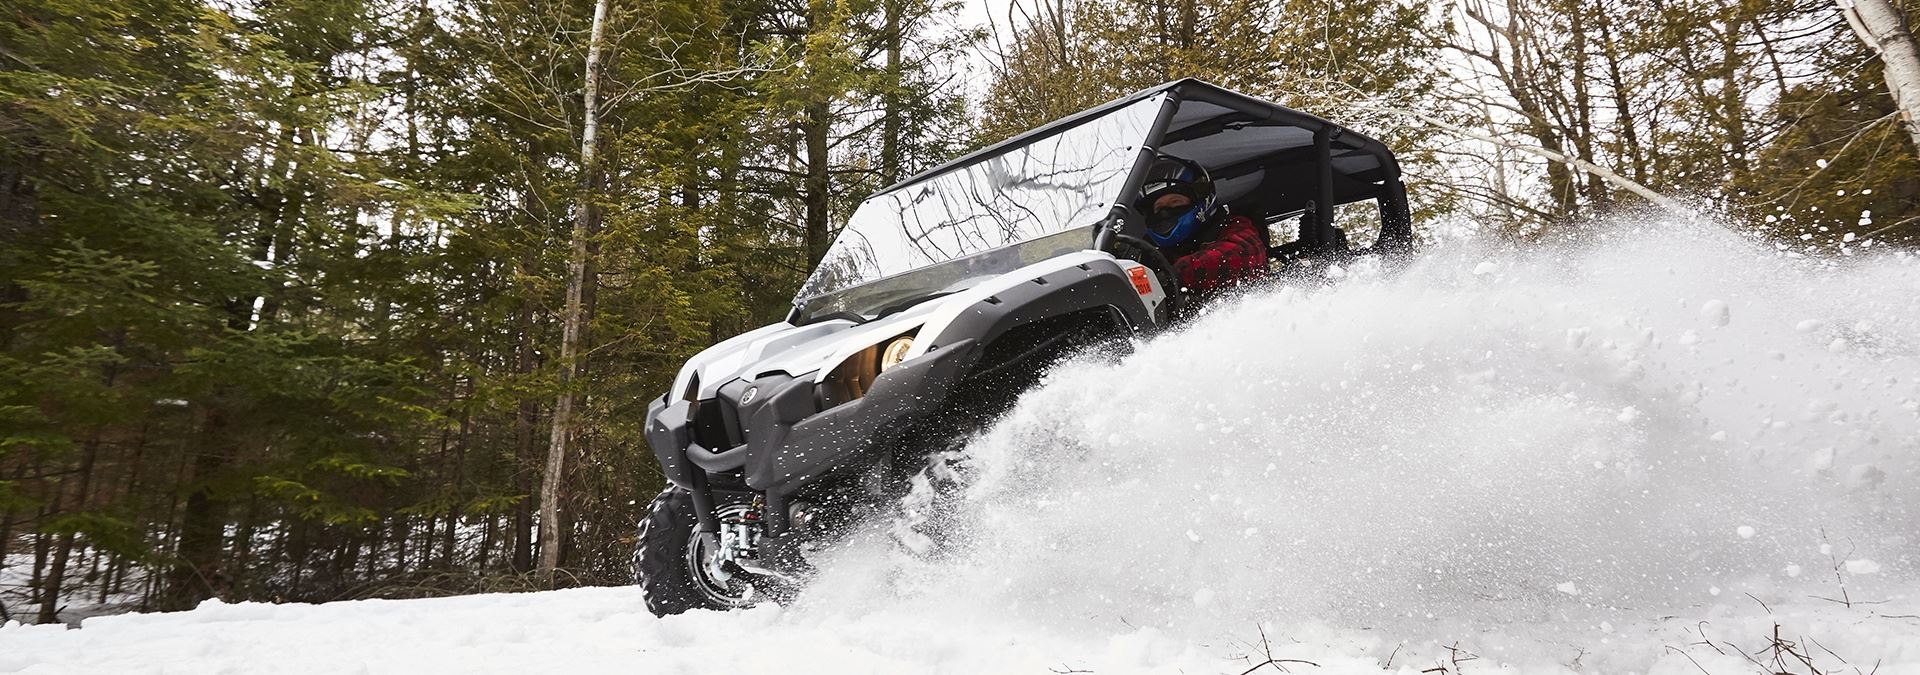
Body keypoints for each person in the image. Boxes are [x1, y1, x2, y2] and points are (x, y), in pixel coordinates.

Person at [1134, 154, 1268, 302]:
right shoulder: (1155, 252)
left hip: (1243, 317)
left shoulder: (1234, 226)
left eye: (1175, 202)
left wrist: (1172, 276)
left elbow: (1244, 253)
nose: (1166, 212)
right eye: (1159, 208)